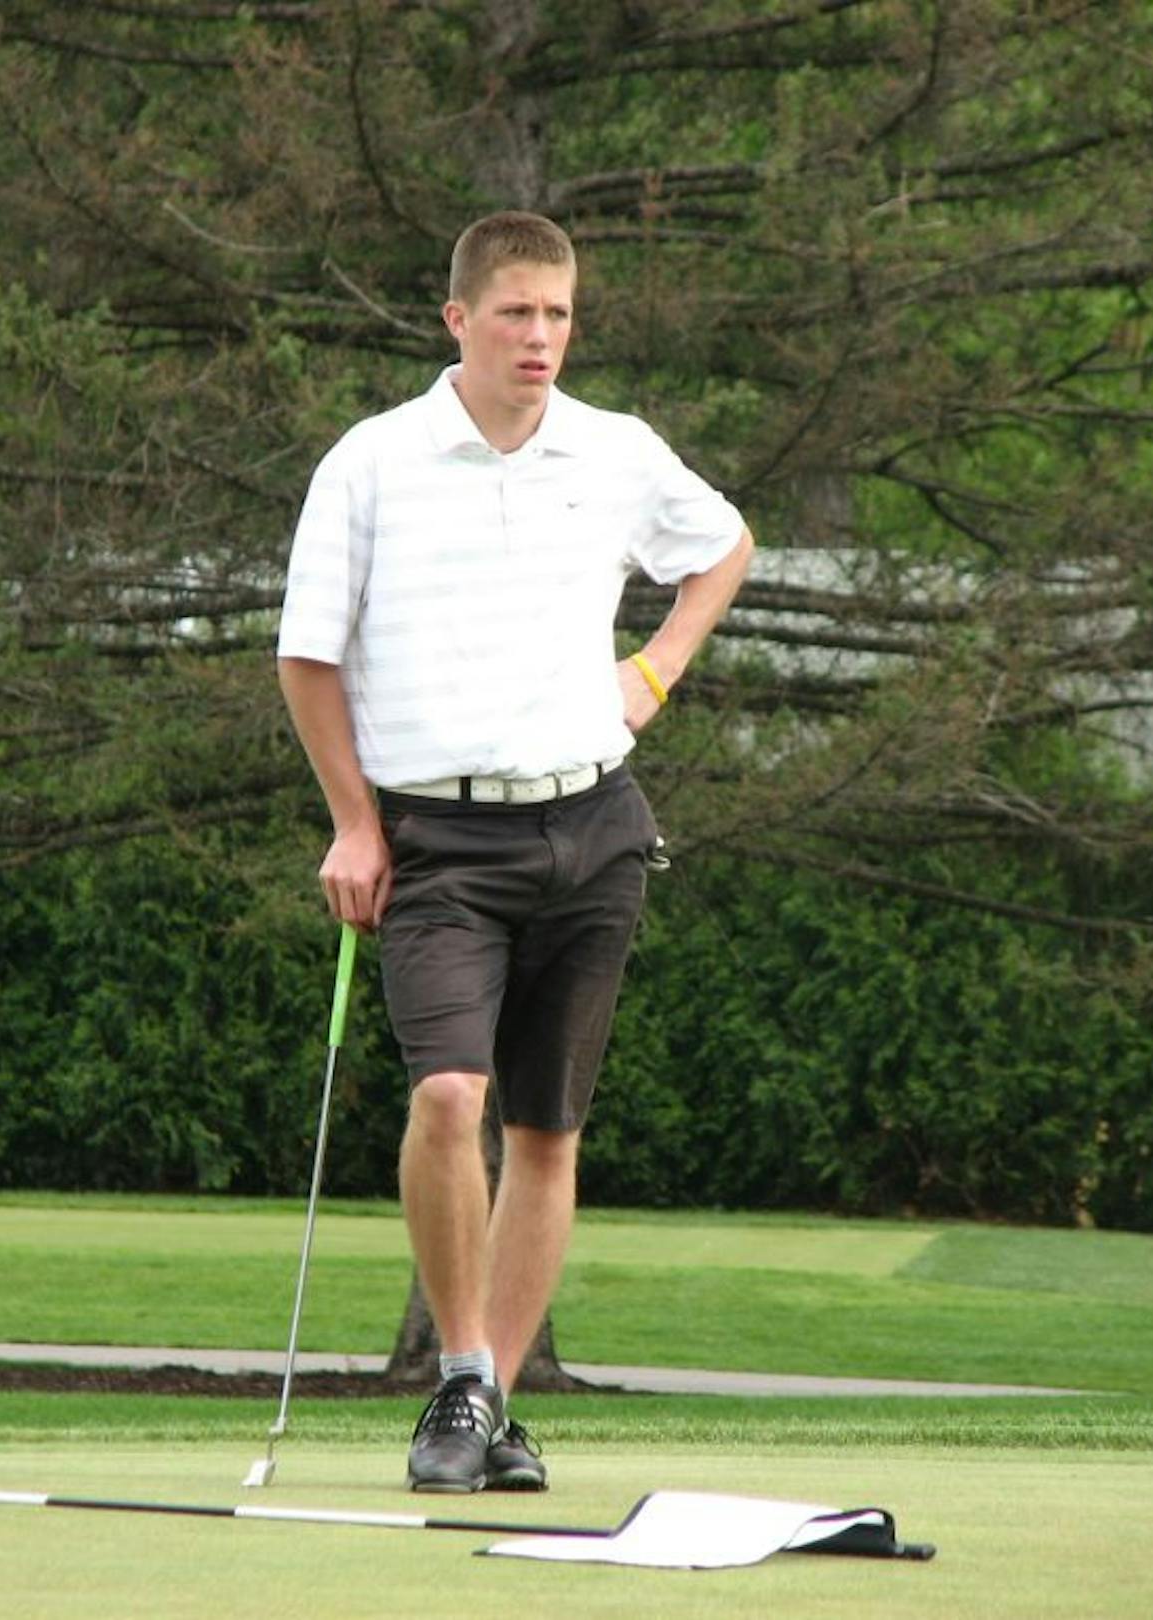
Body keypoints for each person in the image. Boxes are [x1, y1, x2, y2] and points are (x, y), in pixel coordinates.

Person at [276, 211, 753, 1494]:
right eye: (515, 313)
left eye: (558, 314)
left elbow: (724, 547)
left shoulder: (616, 450)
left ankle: (490, 1413)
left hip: (594, 827)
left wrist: (658, 667)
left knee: (547, 1131)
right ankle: (463, 1376)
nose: (540, 337)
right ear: (459, 320)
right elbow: (307, 657)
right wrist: (354, 823)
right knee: (448, 1096)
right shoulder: (372, 463)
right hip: (437, 840)